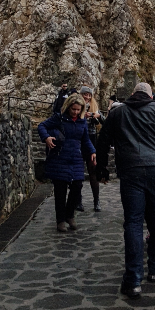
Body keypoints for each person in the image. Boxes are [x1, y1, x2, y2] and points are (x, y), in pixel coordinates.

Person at [96, 81, 155, 298]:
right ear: (150, 95)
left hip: (130, 172)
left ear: (132, 94)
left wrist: (101, 170)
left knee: (134, 223)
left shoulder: (118, 113)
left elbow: (102, 142)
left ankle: (133, 279)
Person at [37, 93, 96, 232]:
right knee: (60, 191)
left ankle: (70, 215)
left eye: (78, 110)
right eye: (73, 109)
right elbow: (42, 126)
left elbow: (85, 139)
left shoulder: (82, 122)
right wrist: (46, 138)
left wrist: (92, 151)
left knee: (77, 186)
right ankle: (60, 220)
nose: (75, 112)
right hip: (60, 157)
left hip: (75, 157)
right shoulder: (59, 118)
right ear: (68, 107)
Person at [77, 85, 102, 212]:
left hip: (91, 140)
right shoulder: (76, 106)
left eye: (89, 95)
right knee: (78, 173)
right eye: (85, 94)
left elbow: (101, 120)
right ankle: (78, 200)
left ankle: (96, 200)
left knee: (93, 171)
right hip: (79, 140)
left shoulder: (94, 107)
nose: (87, 97)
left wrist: (93, 115)